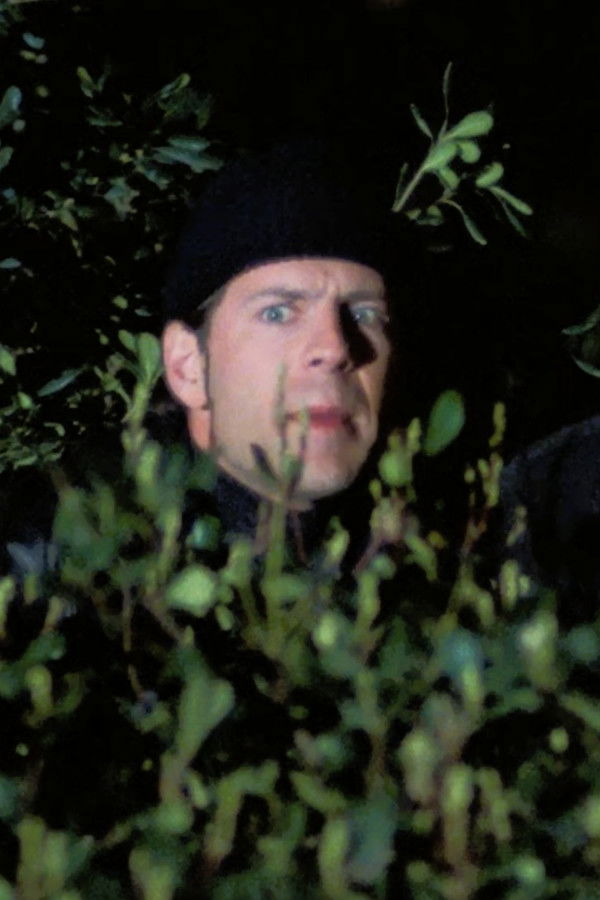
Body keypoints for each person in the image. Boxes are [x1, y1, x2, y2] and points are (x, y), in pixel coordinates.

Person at [160, 140, 422, 557]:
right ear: (188, 367)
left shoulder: (444, 559)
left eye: (363, 315)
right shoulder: (79, 561)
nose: (335, 348)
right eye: (277, 313)